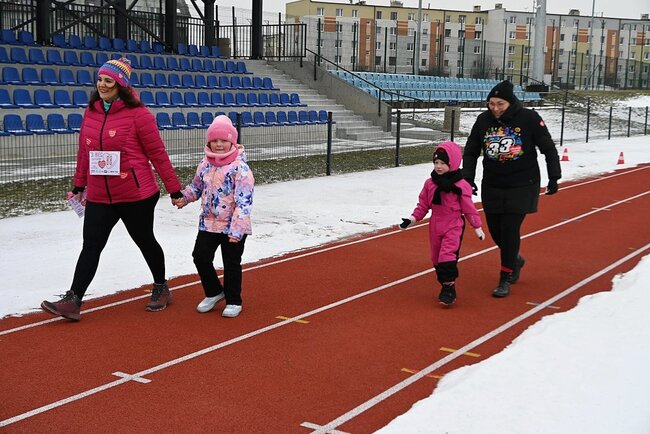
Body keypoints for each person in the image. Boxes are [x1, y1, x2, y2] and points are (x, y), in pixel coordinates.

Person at [41, 58, 183, 321]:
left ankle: (161, 286)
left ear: (121, 85)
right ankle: (73, 300)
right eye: (100, 79)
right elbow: (84, 152)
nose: (103, 85)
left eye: (109, 80)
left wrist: (174, 190)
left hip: (135, 194)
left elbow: (158, 154)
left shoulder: (139, 115)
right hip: (99, 194)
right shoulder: (91, 112)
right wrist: (79, 184)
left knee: (144, 240)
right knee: (91, 245)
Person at [462, 79, 561, 298]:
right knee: (496, 231)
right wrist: (467, 176)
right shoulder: (483, 120)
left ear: (510, 102)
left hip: (523, 183)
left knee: (509, 229)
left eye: (500, 104)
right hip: (493, 183)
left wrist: (554, 176)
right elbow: (471, 150)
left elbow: (548, 148)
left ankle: (504, 277)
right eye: (491, 103)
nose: (495, 108)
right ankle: (514, 259)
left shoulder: (529, 118)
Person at [174, 115, 254, 318]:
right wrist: (184, 198)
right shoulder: (205, 164)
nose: (219, 144)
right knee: (200, 256)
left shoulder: (240, 168)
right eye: (214, 140)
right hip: (208, 223)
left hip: (232, 226)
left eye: (223, 140)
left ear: (232, 142)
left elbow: (244, 202)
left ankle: (234, 300)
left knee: (231, 262)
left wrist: (237, 230)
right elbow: (196, 187)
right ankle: (214, 292)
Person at [399, 141, 485, 306]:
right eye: (436, 162)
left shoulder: (461, 186)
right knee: (436, 259)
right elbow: (423, 204)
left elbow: (469, 208)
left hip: (453, 224)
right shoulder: (430, 184)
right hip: (435, 225)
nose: (438, 166)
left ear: (453, 163)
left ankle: (448, 288)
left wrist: (477, 226)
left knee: (447, 256)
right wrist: (412, 219)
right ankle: (446, 283)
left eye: (443, 163)